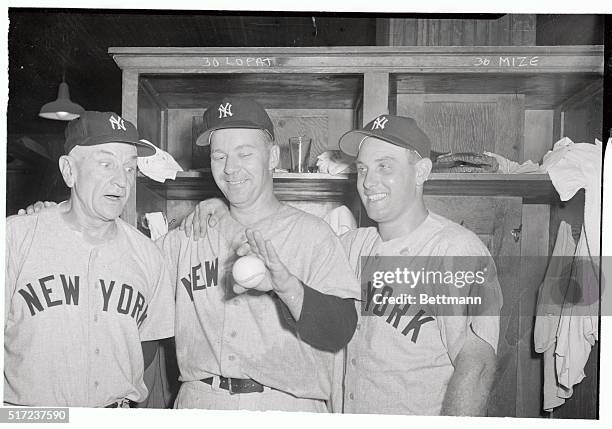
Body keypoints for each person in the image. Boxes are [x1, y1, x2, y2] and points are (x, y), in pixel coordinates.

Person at [182, 114, 502, 416]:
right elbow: (282, 228)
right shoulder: (352, 245)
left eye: (384, 167)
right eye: (362, 169)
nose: (369, 181)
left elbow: (477, 366)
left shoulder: (457, 249)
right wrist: (225, 209)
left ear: (421, 172)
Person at [155, 97, 359, 411]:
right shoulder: (188, 235)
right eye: (219, 156)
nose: (230, 168)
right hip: (202, 402)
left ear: (272, 157)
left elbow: (340, 332)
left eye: (244, 154)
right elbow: (126, 269)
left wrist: (286, 287)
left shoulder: (313, 235)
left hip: (287, 406)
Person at [4, 111, 175, 407]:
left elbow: (145, 343)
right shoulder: (15, 238)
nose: (121, 181)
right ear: (69, 171)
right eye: (105, 164)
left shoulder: (148, 253)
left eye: (130, 168)